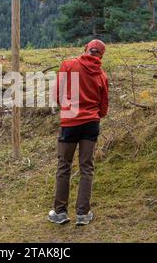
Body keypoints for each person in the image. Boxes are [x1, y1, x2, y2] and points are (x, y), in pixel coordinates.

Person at [48, 39, 109, 226]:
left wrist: (67, 108)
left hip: (70, 122)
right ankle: (83, 214)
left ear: (85, 49)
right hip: (91, 123)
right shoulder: (101, 76)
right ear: (101, 55)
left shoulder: (69, 65)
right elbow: (103, 108)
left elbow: (56, 94)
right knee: (87, 167)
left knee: (64, 165)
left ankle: (60, 213)